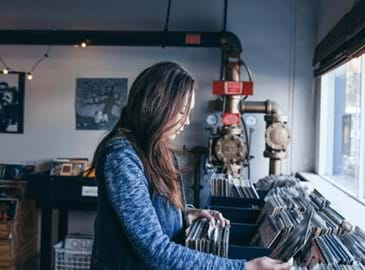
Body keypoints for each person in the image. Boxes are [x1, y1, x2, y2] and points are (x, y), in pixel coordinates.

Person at [90, 62, 292, 270]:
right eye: (181, 112)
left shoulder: (155, 148)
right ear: (156, 106)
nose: (186, 121)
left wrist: (184, 214)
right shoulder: (122, 157)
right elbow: (154, 249)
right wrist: (244, 268)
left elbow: (152, 211)